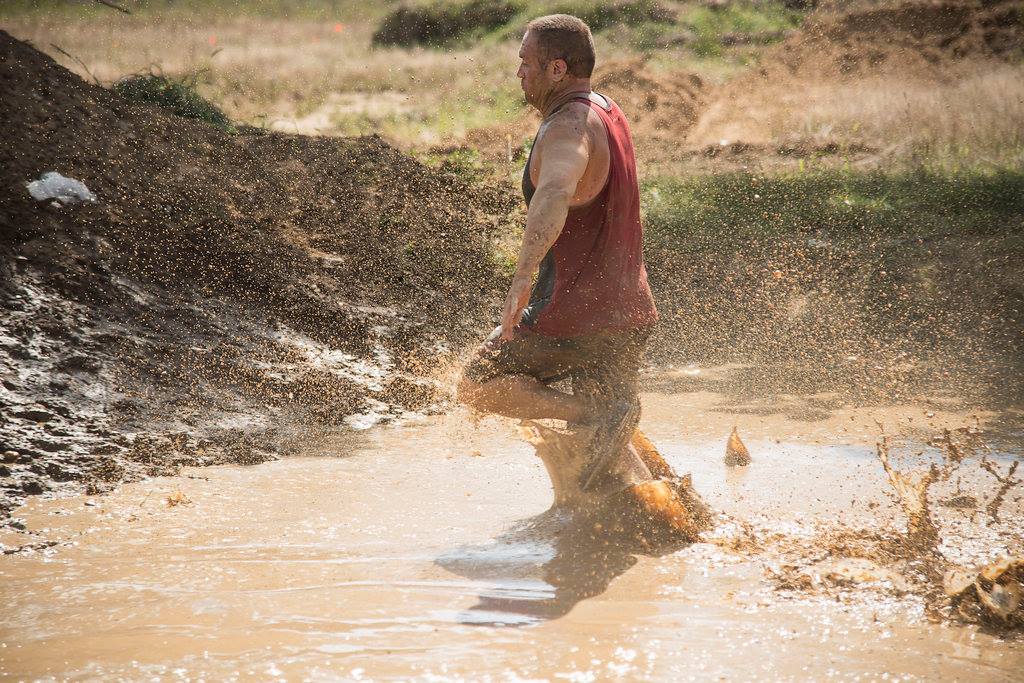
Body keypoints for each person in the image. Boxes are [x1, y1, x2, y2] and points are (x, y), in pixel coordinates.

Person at [457, 14, 658, 493]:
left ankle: (598, 410)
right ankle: (665, 507)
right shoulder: (606, 110)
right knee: (599, 462)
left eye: (526, 62)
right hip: (629, 314)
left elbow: (553, 194)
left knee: (475, 386)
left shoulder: (567, 129)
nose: (519, 73)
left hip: (572, 315)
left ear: (557, 69)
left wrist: (522, 277)